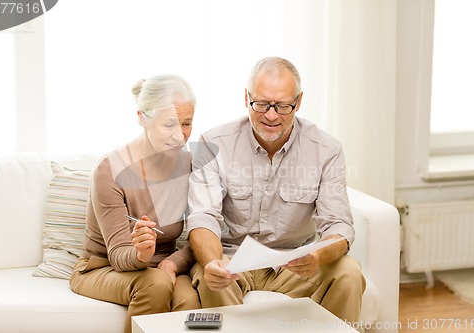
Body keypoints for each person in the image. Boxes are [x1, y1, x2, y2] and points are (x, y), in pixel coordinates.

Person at [187, 57, 366, 324]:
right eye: (261, 104)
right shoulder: (211, 143)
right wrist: (214, 261)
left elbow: (339, 225)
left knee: (349, 272)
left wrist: (317, 255)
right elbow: (203, 217)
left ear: (299, 102)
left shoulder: (326, 149)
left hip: (295, 263)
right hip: (233, 260)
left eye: (283, 106)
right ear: (246, 98)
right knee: (210, 276)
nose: (271, 116)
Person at [70, 74, 201, 333]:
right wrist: (142, 253)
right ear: (142, 117)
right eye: (169, 125)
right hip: (102, 266)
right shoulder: (109, 169)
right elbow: (118, 255)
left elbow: (205, 231)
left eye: (187, 124)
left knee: (189, 300)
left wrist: (173, 262)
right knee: (156, 284)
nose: (180, 136)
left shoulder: (189, 164)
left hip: (163, 265)